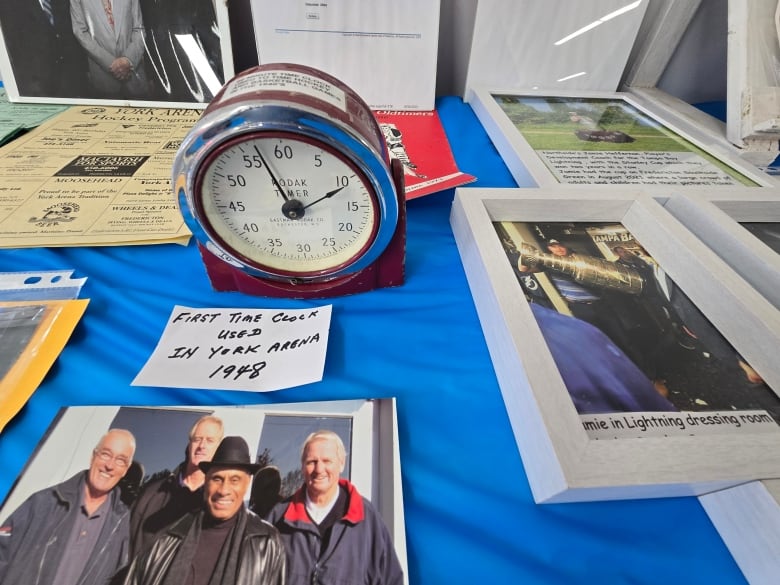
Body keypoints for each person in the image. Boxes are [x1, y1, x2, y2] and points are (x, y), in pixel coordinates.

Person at [122, 436, 286, 585]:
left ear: (247, 484)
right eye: (217, 479)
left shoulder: (266, 541)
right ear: (206, 481)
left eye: (235, 480)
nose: (223, 490)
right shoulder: (170, 535)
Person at [0, 429, 136, 585]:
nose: (110, 465)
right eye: (105, 454)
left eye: (120, 460)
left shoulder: (121, 524)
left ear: (125, 470)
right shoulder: (43, 502)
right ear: (93, 456)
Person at [266, 430, 404, 585]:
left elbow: (390, 579)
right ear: (303, 467)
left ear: (341, 464)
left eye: (327, 461)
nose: (319, 469)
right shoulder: (279, 517)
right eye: (312, 461)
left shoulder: (367, 519)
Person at [129, 414, 223, 557]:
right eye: (197, 439)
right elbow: (128, 545)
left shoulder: (219, 502)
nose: (201, 446)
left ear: (218, 449)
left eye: (210, 441)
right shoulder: (153, 493)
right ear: (189, 444)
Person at [69, 0, 149, 98]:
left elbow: (139, 28)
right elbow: (81, 33)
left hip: (134, 77)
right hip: (103, 80)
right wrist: (110, 63)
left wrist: (128, 60)